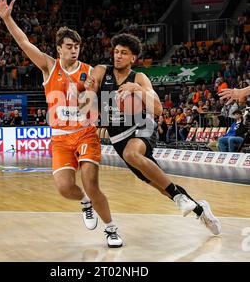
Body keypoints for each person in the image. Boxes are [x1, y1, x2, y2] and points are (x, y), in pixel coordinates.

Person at [0, 0, 122, 248]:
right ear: (59, 48)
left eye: (77, 47)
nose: (74, 50)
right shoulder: (49, 66)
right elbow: (24, 42)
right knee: (64, 188)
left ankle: (111, 229)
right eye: (69, 46)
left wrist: (86, 95)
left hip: (85, 134)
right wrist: (7, 19)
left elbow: (94, 100)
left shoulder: (89, 71)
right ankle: (84, 202)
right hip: (60, 139)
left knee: (91, 183)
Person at [85, 33, 221, 235]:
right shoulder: (101, 71)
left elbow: (157, 110)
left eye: (124, 53)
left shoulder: (139, 77)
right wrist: (87, 91)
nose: (118, 56)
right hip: (118, 137)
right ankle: (200, 209)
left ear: (133, 58)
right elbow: (89, 94)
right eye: (116, 52)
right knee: (161, 186)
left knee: (132, 154)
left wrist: (138, 90)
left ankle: (179, 197)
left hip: (142, 128)